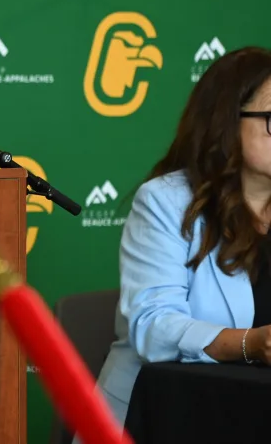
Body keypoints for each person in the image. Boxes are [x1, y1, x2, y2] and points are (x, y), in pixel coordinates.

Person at [84, 46, 271, 437]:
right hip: (166, 417)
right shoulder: (165, 201)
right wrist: (250, 344)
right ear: (226, 122)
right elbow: (154, 327)